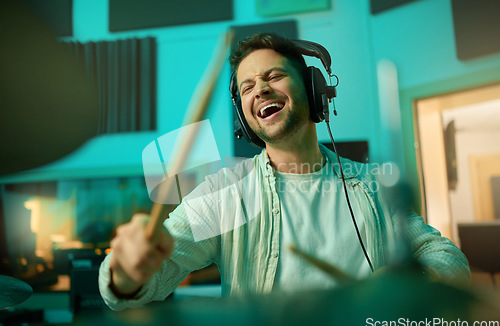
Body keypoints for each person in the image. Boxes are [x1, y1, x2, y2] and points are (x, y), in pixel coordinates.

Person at [98, 33, 470, 311]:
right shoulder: (224, 193)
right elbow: (146, 278)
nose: (259, 89)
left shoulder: (372, 184)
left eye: (274, 76)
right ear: (243, 117)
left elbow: (444, 254)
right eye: (247, 86)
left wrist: (411, 286)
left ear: (313, 89)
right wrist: (127, 272)